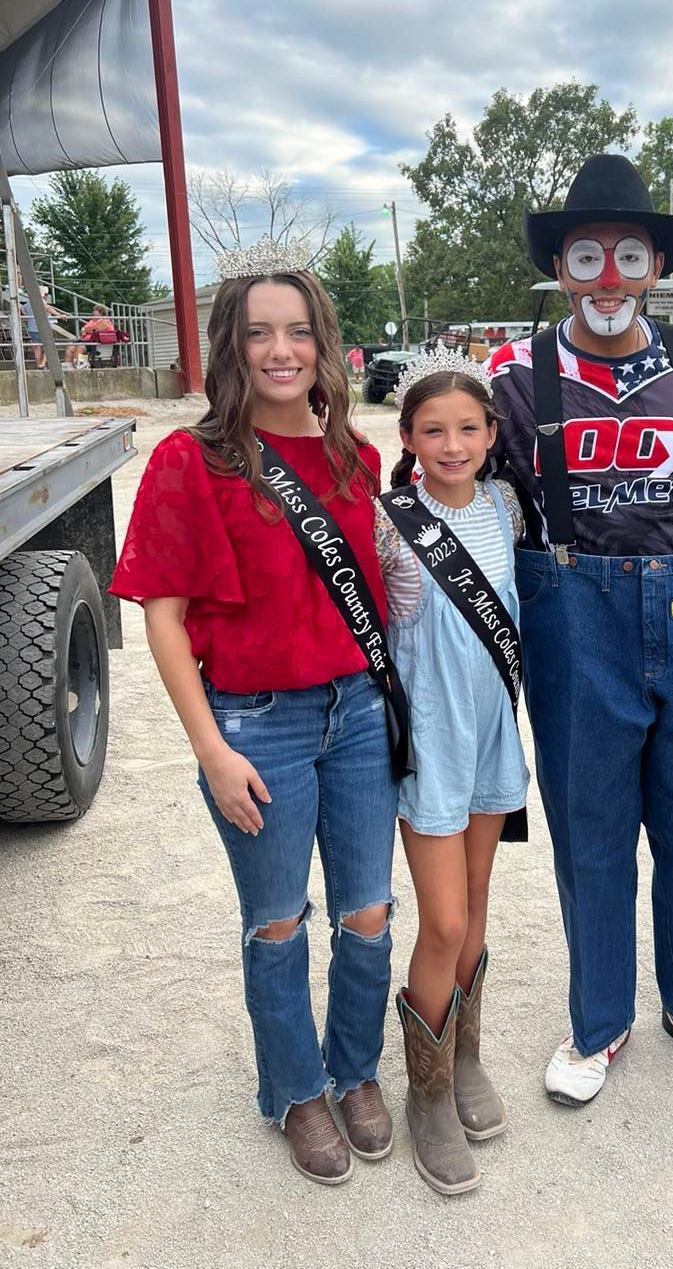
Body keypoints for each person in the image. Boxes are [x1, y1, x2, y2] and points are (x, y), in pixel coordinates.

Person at [488, 153, 673, 1106]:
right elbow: (469, 495)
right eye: (586, 256)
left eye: (626, 255)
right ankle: (598, 1021)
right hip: (575, 611)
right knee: (591, 825)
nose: (607, 276)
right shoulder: (517, 377)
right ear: (561, 269)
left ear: (655, 266)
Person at [110, 241, 399, 1185]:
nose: (282, 350)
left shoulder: (357, 455)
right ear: (231, 348)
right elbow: (163, 615)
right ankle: (296, 1090)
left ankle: (355, 1069)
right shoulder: (191, 461)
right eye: (260, 333)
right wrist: (209, 747)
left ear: (324, 345)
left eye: (299, 331)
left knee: (367, 911)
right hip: (255, 723)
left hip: (356, 711)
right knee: (278, 920)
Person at [374, 351, 528, 1195]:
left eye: (468, 428)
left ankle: (462, 1059)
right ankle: (425, 1096)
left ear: (491, 434)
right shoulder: (385, 519)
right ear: (407, 437)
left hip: (491, 732)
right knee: (439, 922)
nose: (453, 442)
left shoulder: (507, 506)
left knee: (473, 913)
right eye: (433, 429)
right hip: (429, 736)